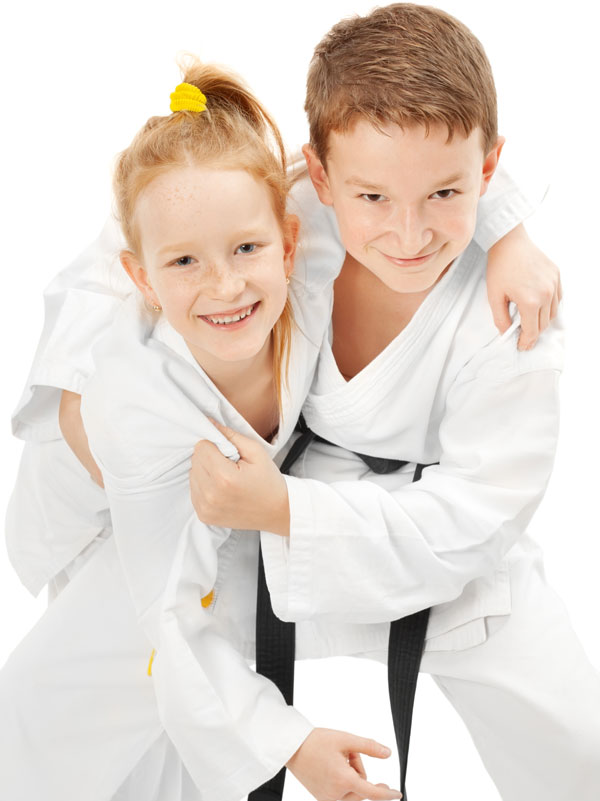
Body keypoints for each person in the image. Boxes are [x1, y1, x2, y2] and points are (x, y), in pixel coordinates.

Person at [187, 5, 600, 801]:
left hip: (439, 539)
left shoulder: (515, 310)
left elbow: (475, 518)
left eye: (446, 193)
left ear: (489, 171)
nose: (409, 235)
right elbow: (149, 213)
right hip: (264, 501)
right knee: (134, 651)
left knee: (581, 745)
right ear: (319, 175)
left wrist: (286, 511)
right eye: (372, 197)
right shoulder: (278, 214)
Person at [0, 61, 405, 801]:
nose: (226, 285)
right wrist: (292, 745)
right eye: (184, 261)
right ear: (142, 280)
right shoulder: (136, 400)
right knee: (99, 693)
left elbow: (420, 165)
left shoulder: (308, 231)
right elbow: (172, 616)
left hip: (188, 492)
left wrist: (512, 241)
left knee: (167, 706)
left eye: (247, 249)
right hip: (109, 491)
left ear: (288, 240)